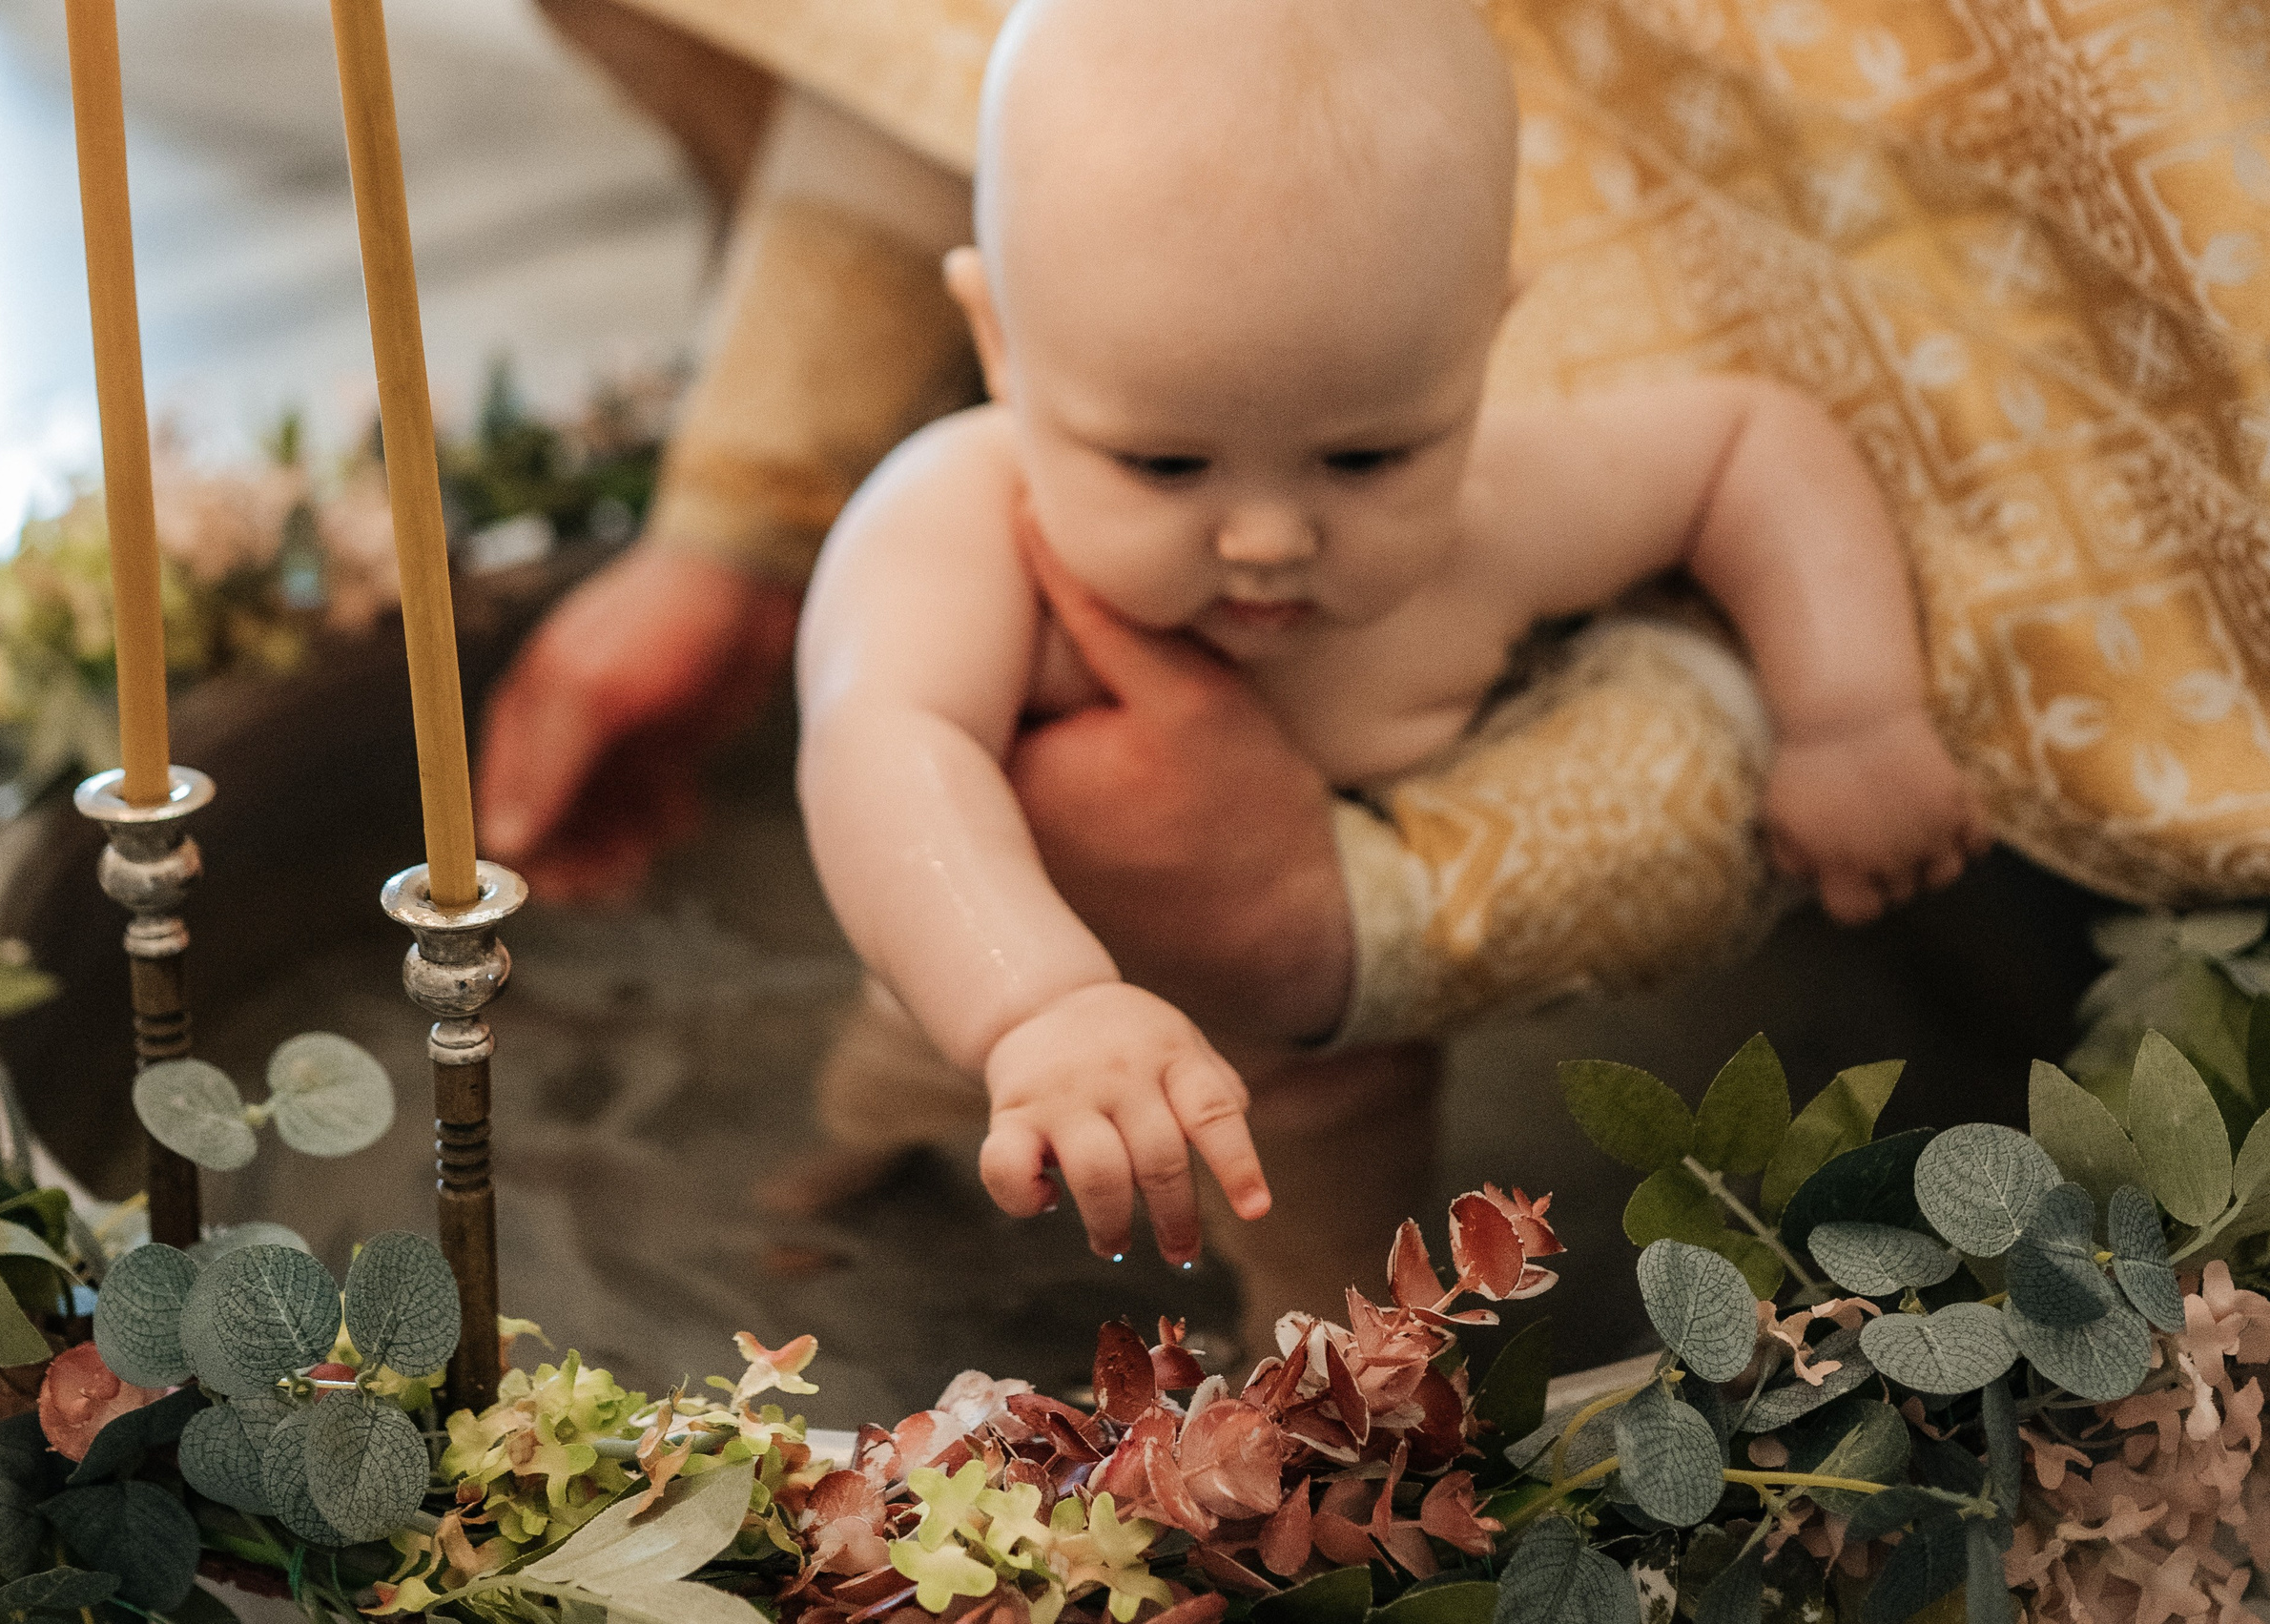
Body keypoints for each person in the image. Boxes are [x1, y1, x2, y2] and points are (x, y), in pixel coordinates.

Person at [793, 0, 1985, 1268]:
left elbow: (1752, 447)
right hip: (972, 1029)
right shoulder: (958, 521)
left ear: (1484, 345)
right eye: (1162, 462)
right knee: (877, 1152)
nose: (1267, 537)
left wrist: (1853, 715)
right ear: (1001, 348)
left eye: (1364, 456)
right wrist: (1034, 1003)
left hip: (1323, 1086)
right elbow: (884, 742)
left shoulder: (1493, 522)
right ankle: (835, 1194)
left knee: (1343, 1348)